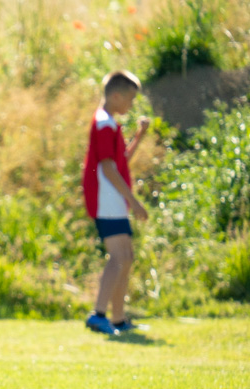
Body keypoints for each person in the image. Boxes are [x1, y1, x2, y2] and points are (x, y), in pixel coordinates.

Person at [82, 70, 150, 335]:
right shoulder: (103, 124)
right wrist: (133, 201)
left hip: (112, 199)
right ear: (117, 95)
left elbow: (119, 162)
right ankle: (98, 315)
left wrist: (138, 137)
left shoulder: (109, 122)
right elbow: (109, 169)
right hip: (105, 199)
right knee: (119, 257)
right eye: (131, 99)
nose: (132, 105)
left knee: (127, 256)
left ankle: (118, 318)